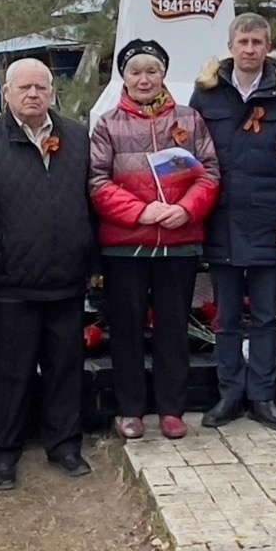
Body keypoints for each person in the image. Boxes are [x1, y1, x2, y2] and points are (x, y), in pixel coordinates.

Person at [0, 58, 97, 488]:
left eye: (41, 87)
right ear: (7, 93)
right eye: (25, 88)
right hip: (12, 283)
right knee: (11, 373)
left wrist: (93, 266)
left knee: (65, 367)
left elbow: (92, 205)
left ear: (52, 91)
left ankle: (65, 445)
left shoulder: (76, 137)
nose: (33, 95)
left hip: (68, 279)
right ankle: (2, 452)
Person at [88, 40, 220, 442]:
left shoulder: (190, 120)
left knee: (174, 328)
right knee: (126, 328)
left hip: (178, 242)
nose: (144, 79)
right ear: (123, 78)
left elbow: (209, 171)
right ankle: (129, 409)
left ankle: (171, 408)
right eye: (135, 72)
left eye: (151, 71)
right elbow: (97, 180)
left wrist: (185, 210)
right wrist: (140, 212)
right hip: (125, 245)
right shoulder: (109, 124)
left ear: (163, 74)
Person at [189, 12, 276, 433]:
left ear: (268, 46)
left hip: (269, 224)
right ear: (230, 46)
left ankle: (263, 396)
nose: (250, 49)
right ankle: (229, 395)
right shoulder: (206, 95)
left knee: (263, 317)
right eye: (243, 42)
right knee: (224, 317)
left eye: (258, 43)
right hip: (220, 221)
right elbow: (190, 157)